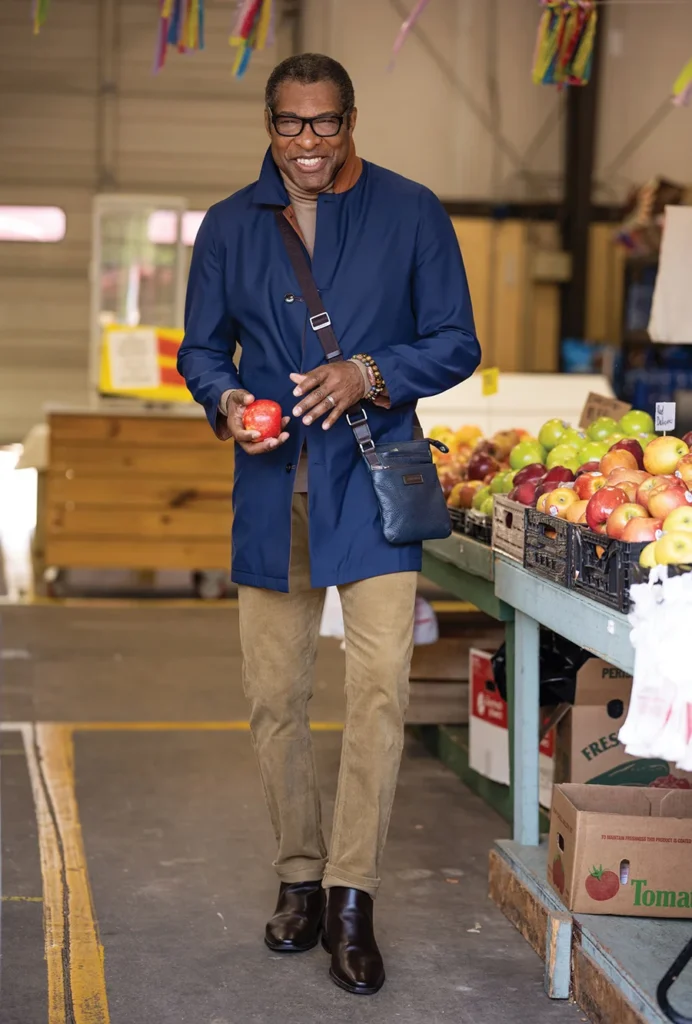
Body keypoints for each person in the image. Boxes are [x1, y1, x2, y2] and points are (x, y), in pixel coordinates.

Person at [177, 53, 480, 997]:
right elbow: (199, 348)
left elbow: (457, 340)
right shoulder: (230, 225)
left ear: (352, 120)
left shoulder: (413, 209)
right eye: (289, 124)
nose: (307, 144)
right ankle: (299, 877)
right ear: (270, 123)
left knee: (381, 691)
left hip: (376, 487)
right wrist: (226, 399)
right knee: (275, 698)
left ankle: (354, 897)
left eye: (325, 123)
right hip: (273, 493)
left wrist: (369, 374)